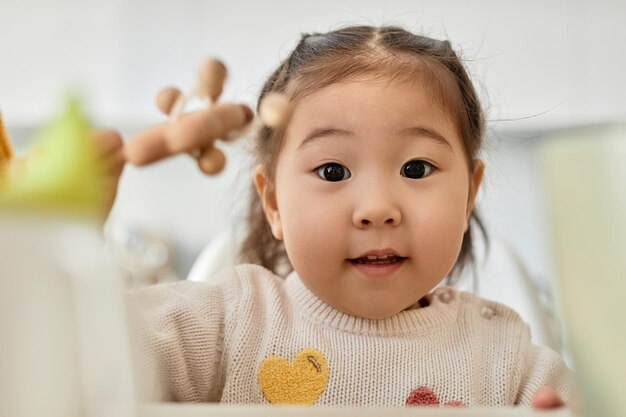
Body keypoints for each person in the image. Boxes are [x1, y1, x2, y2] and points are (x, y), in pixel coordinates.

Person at [99, 25, 573, 408]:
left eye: (416, 168)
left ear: (469, 195)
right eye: (332, 170)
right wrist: (57, 231)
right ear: (274, 204)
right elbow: (77, 361)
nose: (377, 210)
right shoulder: (225, 324)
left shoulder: (511, 364)